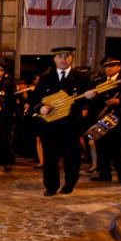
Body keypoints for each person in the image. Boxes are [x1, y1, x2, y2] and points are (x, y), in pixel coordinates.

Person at [31, 46, 94, 196]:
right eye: (60, 57)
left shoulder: (82, 77)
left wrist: (89, 98)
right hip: (50, 125)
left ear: (72, 58)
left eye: (67, 56)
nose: (63, 59)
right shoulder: (46, 77)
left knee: (71, 156)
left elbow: (91, 99)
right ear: (54, 59)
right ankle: (51, 186)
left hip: (71, 125)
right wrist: (40, 108)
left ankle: (70, 183)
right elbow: (35, 99)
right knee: (50, 157)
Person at [88, 56, 121, 183]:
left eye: (112, 66)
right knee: (101, 145)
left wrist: (120, 100)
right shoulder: (99, 81)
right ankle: (104, 172)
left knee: (118, 146)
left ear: (119, 67)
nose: (109, 69)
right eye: (106, 66)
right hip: (101, 118)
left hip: (117, 117)